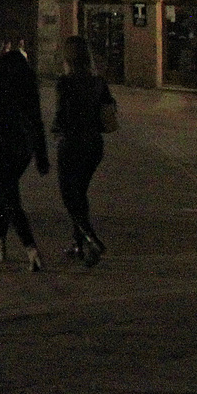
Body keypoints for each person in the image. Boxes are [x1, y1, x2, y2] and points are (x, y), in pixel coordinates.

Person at [0, 48, 50, 271]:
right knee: (3, 193)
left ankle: (31, 249)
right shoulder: (29, 92)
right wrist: (41, 157)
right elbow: (37, 123)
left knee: (10, 197)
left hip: (4, 148)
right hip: (23, 150)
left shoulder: (2, 94)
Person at [54, 35, 115, 267]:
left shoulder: (65, 82)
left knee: (69, 196)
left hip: (72, 144)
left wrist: (56, 129)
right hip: (94, 145)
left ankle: (91, 239)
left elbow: (61, 116)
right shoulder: (98, 81)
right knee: (80, 193)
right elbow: (110, 108)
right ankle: (78, 243)